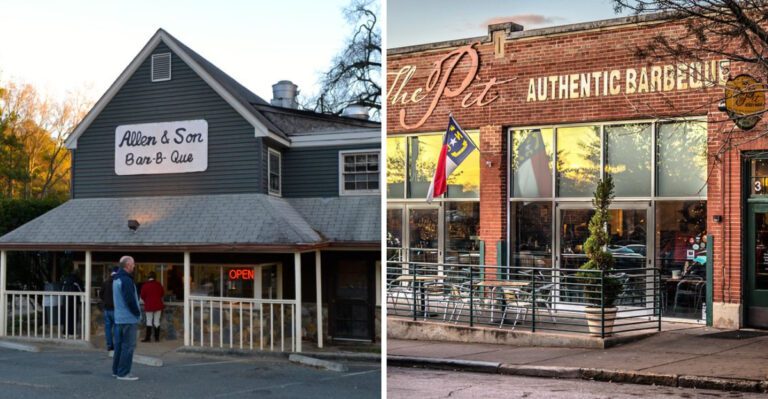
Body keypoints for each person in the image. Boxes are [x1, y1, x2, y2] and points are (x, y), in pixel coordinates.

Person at [112, 256, 141, 381]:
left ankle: (116, 370)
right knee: (128, 346)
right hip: (128, 318)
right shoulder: (126, 280)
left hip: (119, 317)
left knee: (119, 346)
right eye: (133, 264)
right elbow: (129, 300)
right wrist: (137, 313)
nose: (134, 266)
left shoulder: (116, 279)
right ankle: (123, 373)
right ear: (128, 265)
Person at [140, 271, 164, 342]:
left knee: (149, 321)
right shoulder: (158, 284)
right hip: (158, 305)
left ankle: (148, 338)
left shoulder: (145, 285)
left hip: (149, 305)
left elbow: (142, 296)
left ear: (148, 277)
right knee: (157, 321)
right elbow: (162, 293)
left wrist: (147, 300)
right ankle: (157, 338)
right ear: (155, 277)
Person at [100, 267, 119, 351]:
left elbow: (101, 295)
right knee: (116, 327)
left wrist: (105, 300)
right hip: (115, 309)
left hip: (106, 308)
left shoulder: (105, 282)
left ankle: (109, 345)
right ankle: (116, 345)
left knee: (108, 328)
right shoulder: (118, 282)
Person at [61, 270, 84, 338]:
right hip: (74, 301)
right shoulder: (77, 280)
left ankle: (65, 333)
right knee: (74, 317)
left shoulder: (65, 280)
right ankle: (72, 333)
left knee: (66, 316)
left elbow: (62, 290)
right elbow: (81, 291)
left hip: (65, 301)